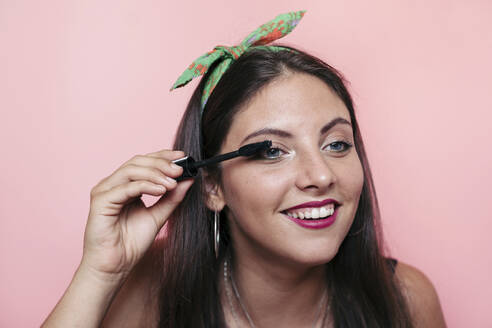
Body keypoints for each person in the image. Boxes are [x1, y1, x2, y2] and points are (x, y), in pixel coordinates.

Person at [42, 11, 446, 327]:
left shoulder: (404, 299)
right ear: (213, 185)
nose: (322, 176)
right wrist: (100, 273)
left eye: (337, 144)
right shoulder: (153, 289)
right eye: (272, 151)